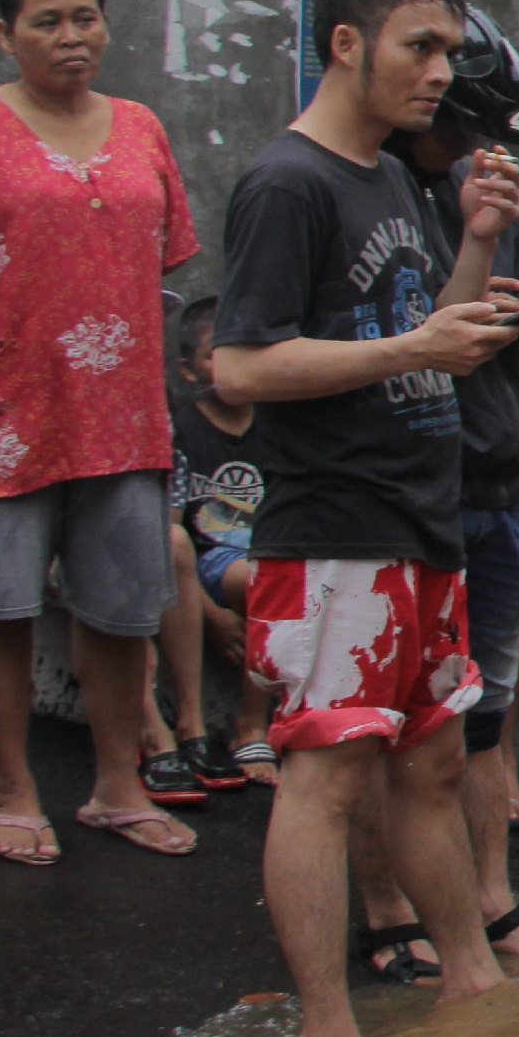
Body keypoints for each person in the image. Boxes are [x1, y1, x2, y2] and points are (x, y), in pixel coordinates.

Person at [211, 0, 519, 1037]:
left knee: (433, 764)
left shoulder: (394, 177)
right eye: (421, 46)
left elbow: (427, 343)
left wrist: (479, 246)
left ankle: (471, 974)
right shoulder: (288, 181)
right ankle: (326, 1029)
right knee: (327, 769)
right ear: (348, 44)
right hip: (335, 530)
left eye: (450, 49)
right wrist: (416, 343)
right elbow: (240, 368)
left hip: (421, 519)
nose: (443, 72)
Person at [0, 0, 200, 865]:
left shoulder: (140, 127)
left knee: (121, 609)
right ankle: (13, 790)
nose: (70, 38)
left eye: (84, 19)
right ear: (5, 35)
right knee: (1, 606)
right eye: (46, 23)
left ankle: (116, 786)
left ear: (106, 24)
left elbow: (162, 251)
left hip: (120, 411)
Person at [351, 9, 519, 975]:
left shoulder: (467, 188)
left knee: (480, 717)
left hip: (496, 482)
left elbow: (466, 324)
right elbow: (413, 337)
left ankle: (487, 897)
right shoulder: (371, 191)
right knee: (377, 729)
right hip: (410, 497)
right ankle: (386, 905)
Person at [171, 297, 280, 785]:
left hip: (263, 557)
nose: (234, 363)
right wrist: (211, 616)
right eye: (217, 352)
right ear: (189, 370)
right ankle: (249, 725)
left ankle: (263, 720)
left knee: (283, 573)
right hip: (203, 561)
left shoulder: (275, 427)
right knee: (267, 579)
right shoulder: (181, 426)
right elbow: (167, 531)